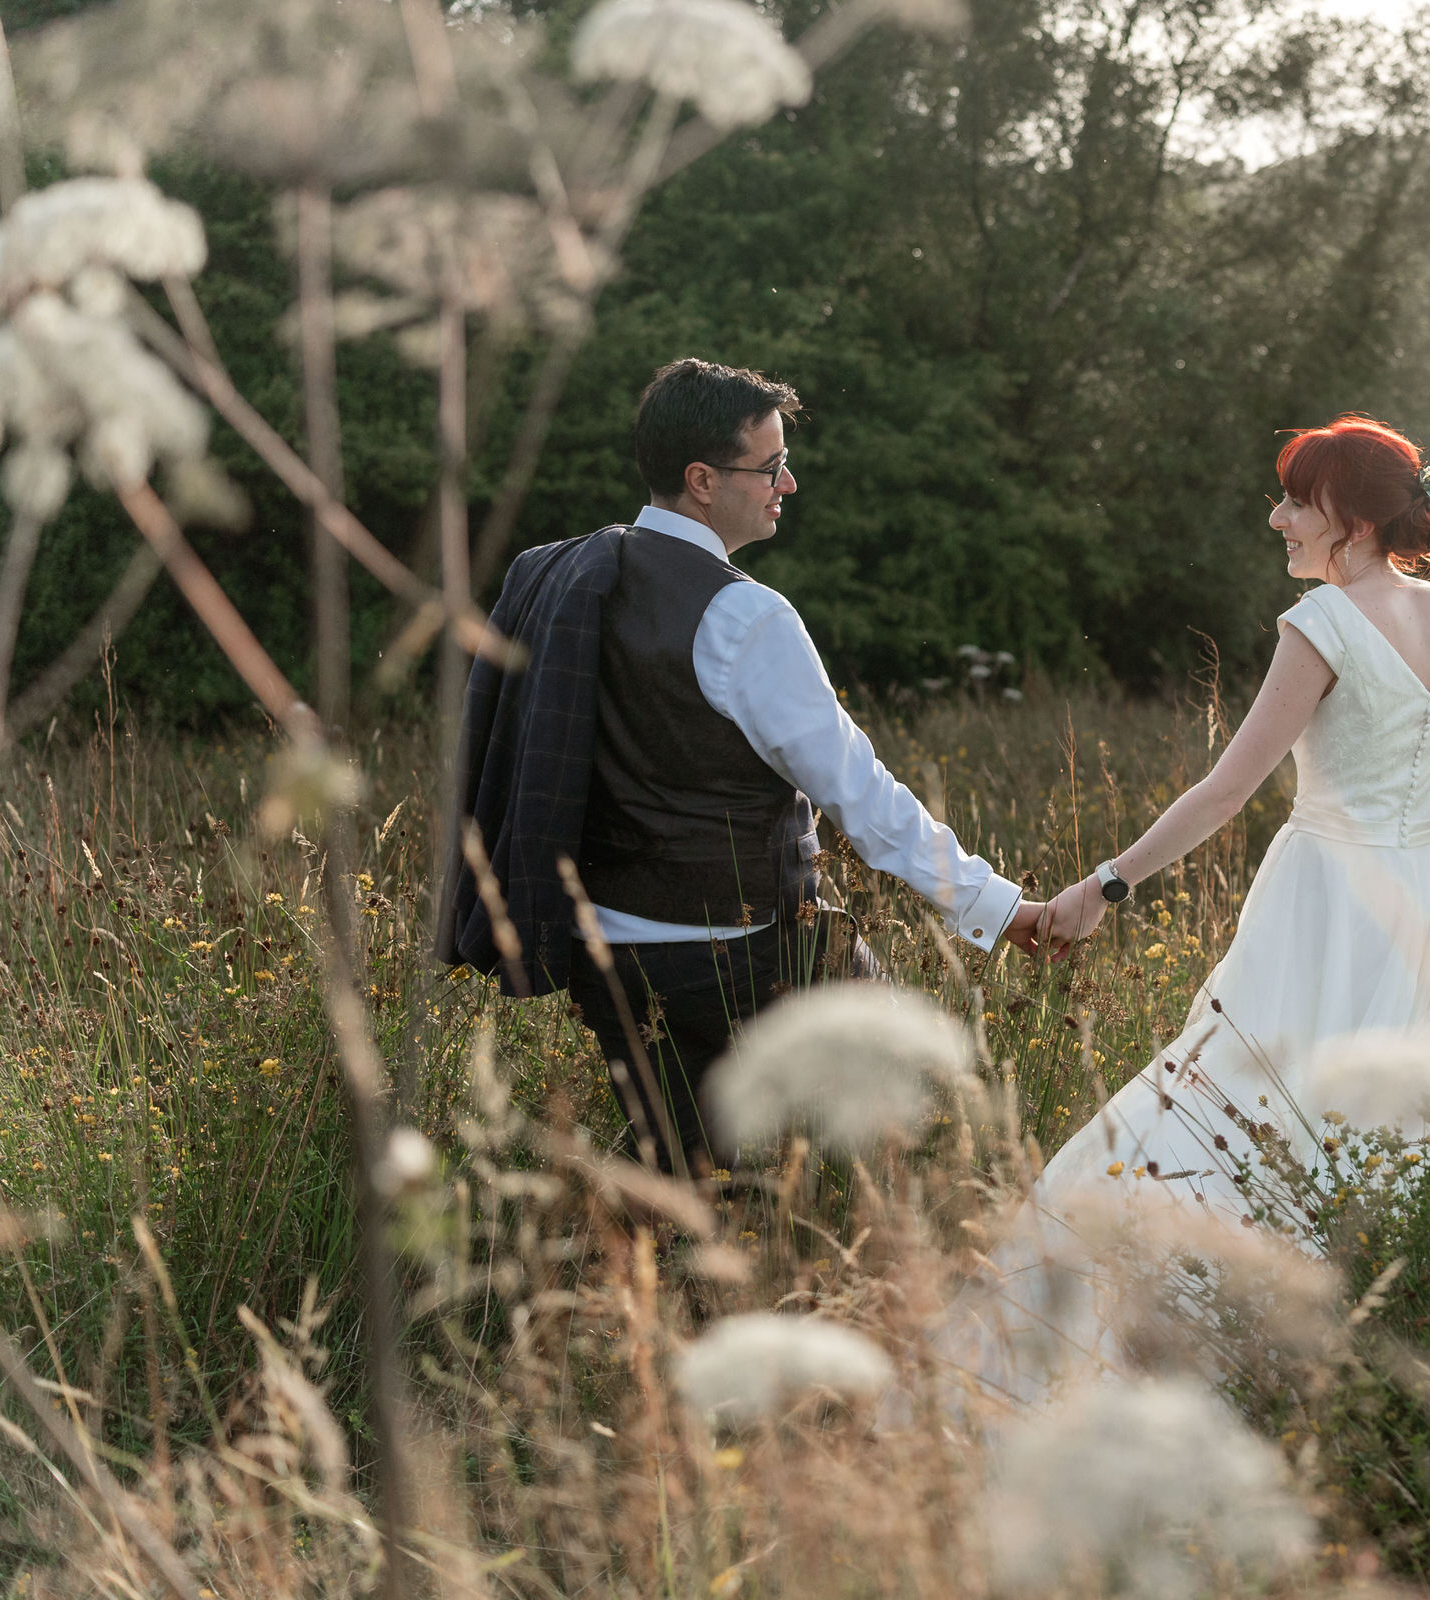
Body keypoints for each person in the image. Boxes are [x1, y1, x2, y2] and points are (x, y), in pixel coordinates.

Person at [934, 414, 1430, 1400]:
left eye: (1297, 500)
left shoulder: (1325, 624)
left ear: (1351, 517)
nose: (1278, 516)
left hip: (1326, 900)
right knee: (1406, 1138)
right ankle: (1376, 1357)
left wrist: (1104, 884)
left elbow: (1225, 790)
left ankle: (1174, 1344)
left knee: (1243, 1108)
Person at [440, 359, 1045, 1177]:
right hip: (748, 954)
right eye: (769, 468)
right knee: (925, 1121)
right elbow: (860, 797)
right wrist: (1000, 908)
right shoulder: (745, 615)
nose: (787, 484)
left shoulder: (551, 576)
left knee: (682, 1183)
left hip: (606, 960)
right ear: (700, 480)